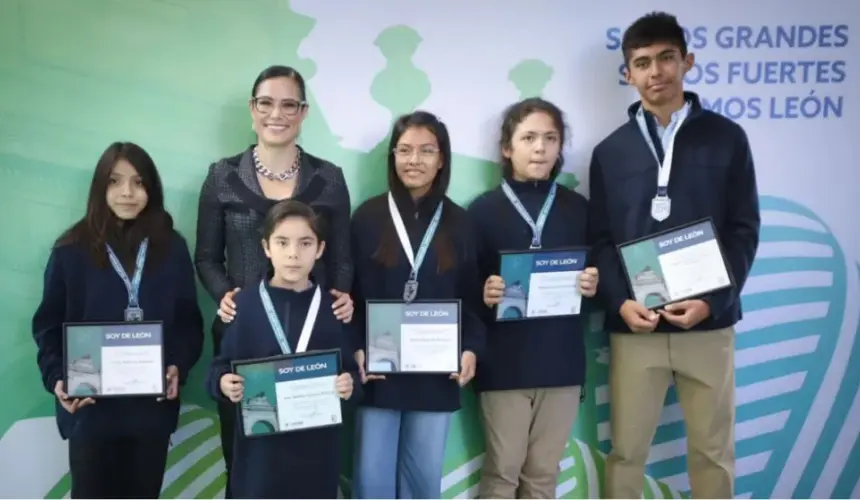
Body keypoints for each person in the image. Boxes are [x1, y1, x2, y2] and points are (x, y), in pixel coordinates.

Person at [588, 12, 760, 499]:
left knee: (712, 451)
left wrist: (713, 301)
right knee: (625, 453)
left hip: (707, 324)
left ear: (687, 61)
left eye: (666, 58)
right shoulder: (611, 152)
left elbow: (744, 229)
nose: (655, 71)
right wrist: (620, 301)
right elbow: (600, 239)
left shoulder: (728, 138)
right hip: (636, 328)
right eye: (641, 62)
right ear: (628, 73)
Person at [194, 64, 355, 496]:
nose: (276, 114)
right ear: (252, 109)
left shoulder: (329, 178)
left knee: (310, 459)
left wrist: (340, 298)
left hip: (312, 335)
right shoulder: (222, 176)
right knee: (247, 460)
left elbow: (341, 257)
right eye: (266, 102)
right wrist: (224, 295)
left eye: (289, 104)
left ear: (303, 113)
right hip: (245, 335)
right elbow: (207, 257)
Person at [31, 142, 205, 498]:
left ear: (151, 189)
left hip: (149, 413)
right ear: (100, 188)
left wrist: (177, 366)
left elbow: (189, 323)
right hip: (90, 411)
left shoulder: (171, 249)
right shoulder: (69, 251)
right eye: (115, 182)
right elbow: (48, 328)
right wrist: (58, 379)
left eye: (138, 182)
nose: (127, 192)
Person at [349, 111, 486, 498]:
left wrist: (471, 349)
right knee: (370, 479)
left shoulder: (460, 222)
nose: (415, 160)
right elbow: (349, 296)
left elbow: (472, 298)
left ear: (442, 159)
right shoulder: (368, 217)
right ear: (393, 156)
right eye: (405, 150)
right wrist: (355, 348)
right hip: (378, 371)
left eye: (427, 151)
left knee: (423, 481)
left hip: (435, 374)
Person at [469, 98, 600, 499]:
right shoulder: (481, 211)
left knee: (543, 475)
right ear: (507, 148)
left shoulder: (580, 209)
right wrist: (484, 291)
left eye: (549, 138)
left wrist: (594, 287)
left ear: (561, 147)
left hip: (560, 363)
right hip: (503, 364)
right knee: (503, 472)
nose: (539, 148)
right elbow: (464, 291)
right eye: (528, 138)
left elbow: (597, 289)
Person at [206, 199, 361, 499]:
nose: (293, 253)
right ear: (266, 247)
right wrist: (224, 383)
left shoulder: (334, 310)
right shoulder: (243, 305)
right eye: (282, 242)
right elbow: (217, 369)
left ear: (320, 249)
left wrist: (348, 386)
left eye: (305, 243)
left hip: (316, 455)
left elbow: (353, 375)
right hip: (259, 457)